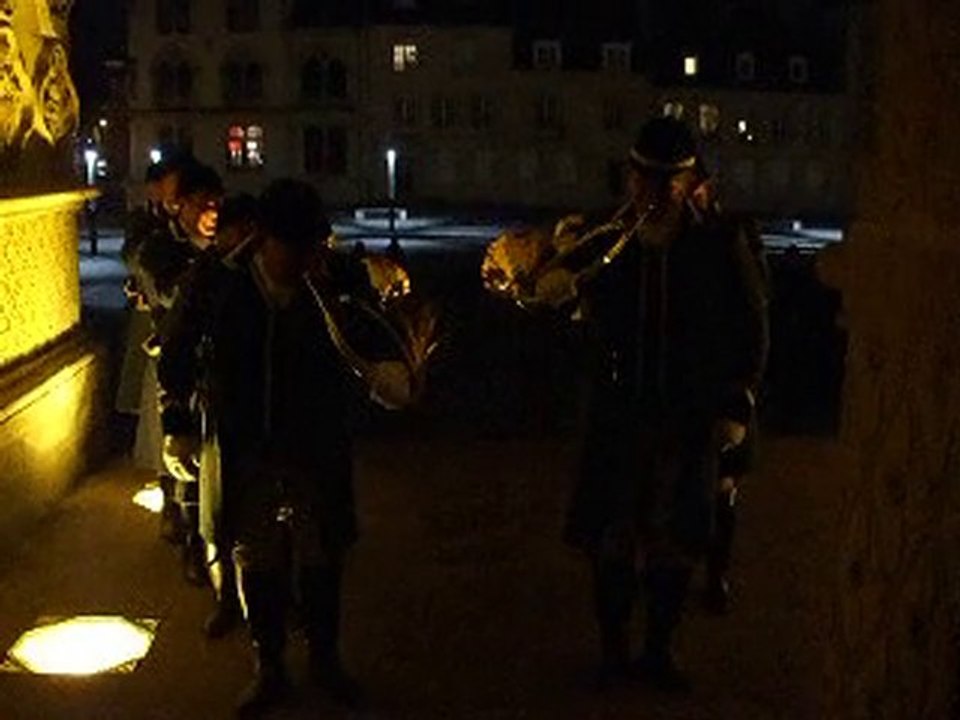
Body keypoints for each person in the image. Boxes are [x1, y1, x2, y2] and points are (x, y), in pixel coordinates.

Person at [562, 116, 769, 691]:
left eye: (667, 182)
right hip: (618, 416)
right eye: (644, 180)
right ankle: (612, 652)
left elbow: (750, 328)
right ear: (630, 178)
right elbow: (581, 327)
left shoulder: (718, 243)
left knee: (674, 543)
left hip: (687, 416)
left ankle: (659, 651)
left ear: (686, 182)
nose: (653, 193)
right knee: (612, 540)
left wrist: (735, 404)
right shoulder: (603, 241)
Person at [162, 179, 364, 717]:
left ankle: (324, 659)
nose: (301, 260)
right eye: (291, 248)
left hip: (315, 443)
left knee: (322, 552)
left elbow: (369, 342)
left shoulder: (332, 278)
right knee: (258, 557)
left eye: (310, 246)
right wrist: (177, 422)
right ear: (262, 239)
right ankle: (268, 664)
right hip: (245, 441)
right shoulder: (218, 282)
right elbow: (177, 350)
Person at [158, 193, 261, 639]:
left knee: (270, 522)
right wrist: (177, 423)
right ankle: (227, 602)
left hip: (271, 413)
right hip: (223, 413)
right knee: (219, 518)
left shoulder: (286, 275)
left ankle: (269, 610)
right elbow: (178, 348)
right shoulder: (209, 276)